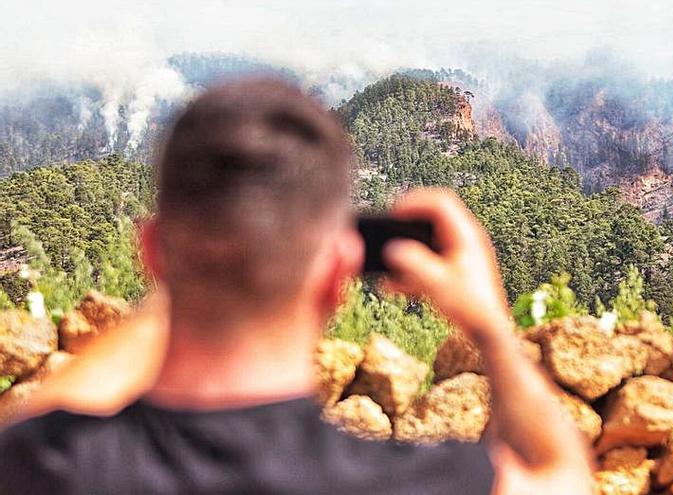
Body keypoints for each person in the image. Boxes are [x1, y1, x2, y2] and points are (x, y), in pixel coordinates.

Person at [0, 79, 593, 494]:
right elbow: (562, 475)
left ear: (152, 252)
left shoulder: (44, 467)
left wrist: (193, 274)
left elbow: (39, 422)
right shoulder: (416, 483)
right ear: (338, 275)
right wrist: (489, 323)